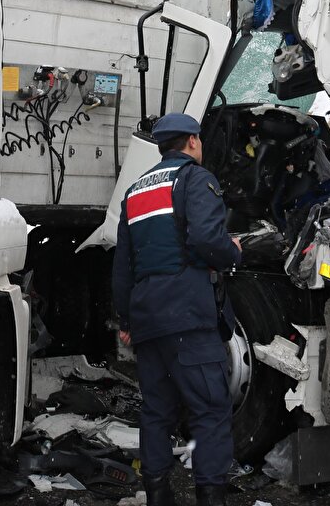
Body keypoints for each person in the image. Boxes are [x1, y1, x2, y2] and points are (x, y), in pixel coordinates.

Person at [112, 113, 242, 506]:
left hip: (148, 320)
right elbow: (205, 237)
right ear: (191, 142)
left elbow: (123, 265)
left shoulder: (135, 191)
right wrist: (230, 253)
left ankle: (156, 494)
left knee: (156, 411)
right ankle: (210, 497)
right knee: (210, 410)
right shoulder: (195, 179)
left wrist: (125, 320)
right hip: (188, 315)